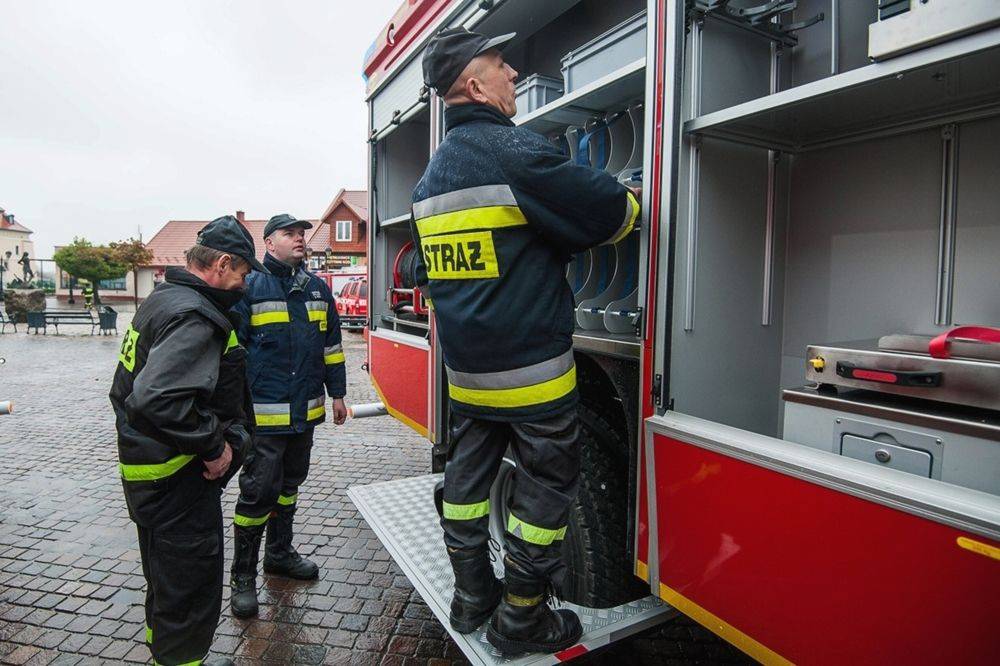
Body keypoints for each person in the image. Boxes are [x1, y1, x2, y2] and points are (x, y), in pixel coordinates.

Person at [413, 28, 641, 655]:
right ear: (474, 84)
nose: (513, 72)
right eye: (499, 64)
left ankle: (471, 596)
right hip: (534, 375)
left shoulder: (428, 182)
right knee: (543, 494)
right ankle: (522, 621)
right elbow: (612, 212)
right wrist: (636, 200)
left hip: (468, 377)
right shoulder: (514, 154)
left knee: (465, 486)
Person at [109, 215, 263, 666]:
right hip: (179, 482)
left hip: (150, 476)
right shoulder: (195, 316)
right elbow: (156, 398)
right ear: (220, 263)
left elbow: (123, 392)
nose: (243, 283)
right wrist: (215, 447)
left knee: (165, 585)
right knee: (190, 597)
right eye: (242, 272)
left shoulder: (163, 301)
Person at [228, 213, 348, 618]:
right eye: (289, 233)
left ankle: (278, 554)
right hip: (263, 419)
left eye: (301, 233)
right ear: (268, 243)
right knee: (258, 492)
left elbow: (331, 345)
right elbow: (234, 355)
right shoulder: (249, 288)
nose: (299, 239)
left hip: (304, 414)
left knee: (289, 486)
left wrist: (338, 394)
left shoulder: (316, 289)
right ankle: (242, 578)